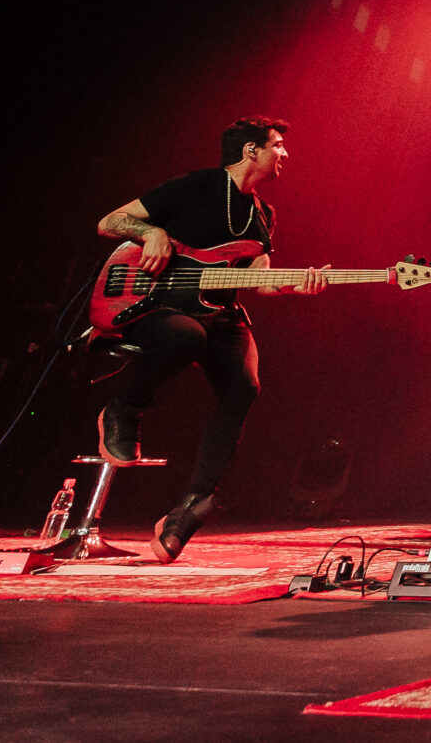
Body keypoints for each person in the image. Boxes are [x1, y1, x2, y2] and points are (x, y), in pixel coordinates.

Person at [93, 117, 329, 562]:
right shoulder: (196, 186)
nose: (286, 153)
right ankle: (124, 409)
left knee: (245, 384)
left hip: (218, 312)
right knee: (186, 337)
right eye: (278, 145)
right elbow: (110, 221)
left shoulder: (263, 215)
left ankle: (193, 505)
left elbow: (259, 279)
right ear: (251, 151)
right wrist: (151, 232)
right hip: (154, 303)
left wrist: (296, 285)